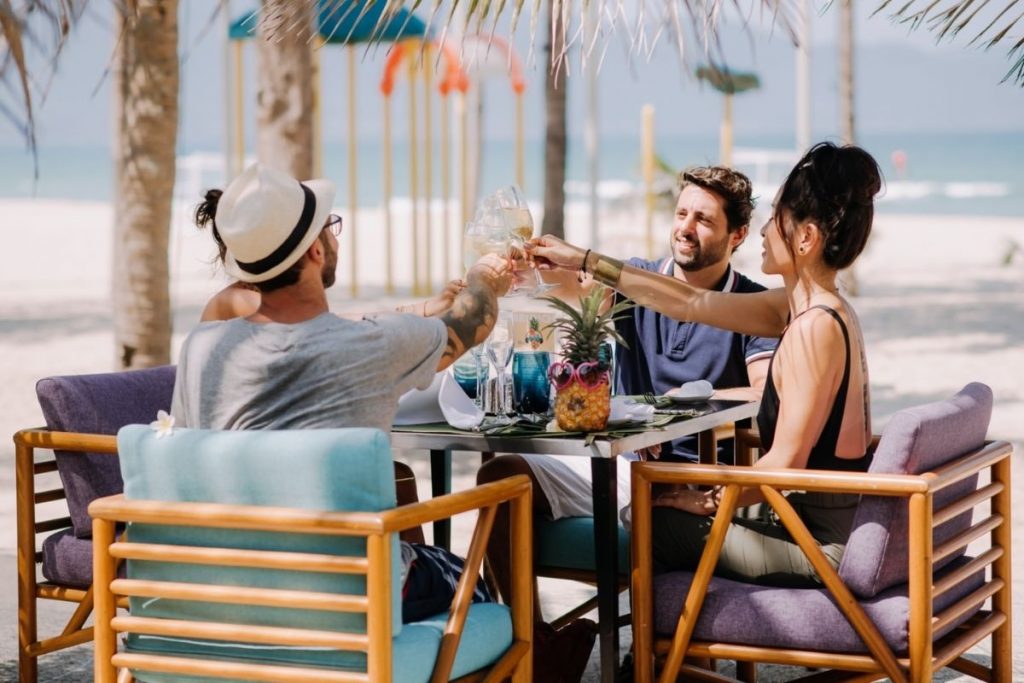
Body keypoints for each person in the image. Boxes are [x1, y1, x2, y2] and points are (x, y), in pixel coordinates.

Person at [169, 163, 512, 622]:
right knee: (477, 583)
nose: (334, 236)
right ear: (314, 250)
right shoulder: (373, 346)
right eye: (330, 227)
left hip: (235, 590)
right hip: (350, 595)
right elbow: (473, 323)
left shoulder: (200, 347)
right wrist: (485, 277)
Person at [530, 142, 882, 586]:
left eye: (777, 218)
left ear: (806, 238)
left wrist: (706, 499)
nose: (764, 231)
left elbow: (787, 462)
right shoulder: (802, 309)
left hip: (818, 544)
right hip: (804, 518)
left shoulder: (815, 328)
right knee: (654, 504)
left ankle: (660, 654)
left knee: (650, 520)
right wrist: (583, 261)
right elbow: (690, 302)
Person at [476, 165, 776, 600]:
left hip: (697, 476)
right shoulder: (635, 279)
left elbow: (763, 392)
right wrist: (530, 268)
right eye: (681, 214)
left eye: (704, 219)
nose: (686, 228)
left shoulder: (751, 305)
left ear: (738, 235)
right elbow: (571, 290)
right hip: (622, 462)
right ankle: (528, 636)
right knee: (500, 474)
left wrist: (682, 404)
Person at [193, 188, 467, 322]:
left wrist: (426, 307)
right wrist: (424, 310)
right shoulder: (236, 301)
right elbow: (337, 327)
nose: (332, 240)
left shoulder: (255, 298)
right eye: (328, 228)